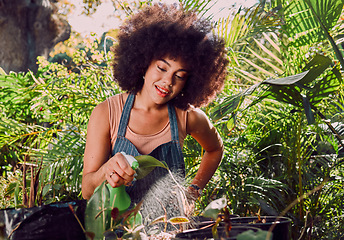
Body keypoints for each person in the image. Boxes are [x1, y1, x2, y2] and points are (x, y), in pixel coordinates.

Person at [81, 3, 228, 210]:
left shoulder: (188, 117)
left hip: (170, 229)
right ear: (144, 62)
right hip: (118, 230)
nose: (168, 82)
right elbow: (87, 190)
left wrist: (193, 191)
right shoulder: (107, 112)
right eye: (161, 68)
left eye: (180, 76)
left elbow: (215, 149)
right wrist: (106, 171)